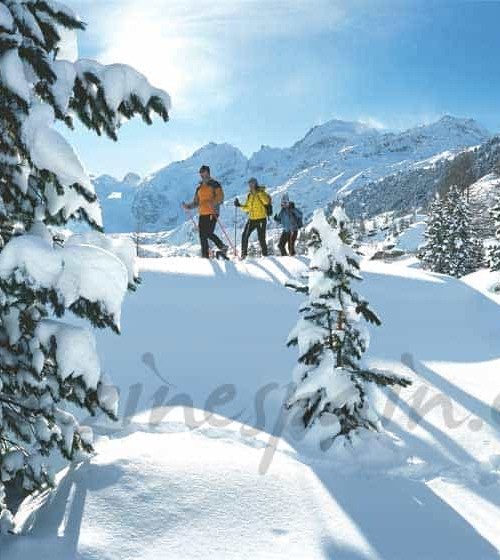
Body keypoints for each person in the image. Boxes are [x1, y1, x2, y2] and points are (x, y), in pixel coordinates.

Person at [182, 165, 227, 259]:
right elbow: (196, 202)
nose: (202, 174)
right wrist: (188, 206)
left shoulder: (215, 184)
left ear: (208, 173)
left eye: (204, 172)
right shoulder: (199, 188)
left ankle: (222, 246)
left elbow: (220, 197)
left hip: (213, 212)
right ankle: (205, 257)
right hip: (202, 213)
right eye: (201, 172)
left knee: (208, 233)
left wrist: (212, 202)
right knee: (202, 235)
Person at [234, 178, 271, 259]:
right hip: (252, 219)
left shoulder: (261, 192)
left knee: (261, 238)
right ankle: (244, 255)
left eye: (252, 183)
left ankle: (265, 256)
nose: (250, 185)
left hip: (261, 219)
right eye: (249, 184)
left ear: (256, 184)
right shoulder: (250, 195)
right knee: (245, 235)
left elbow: (266, 201)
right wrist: (239, 205)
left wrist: (259, 192)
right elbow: (248, 208)